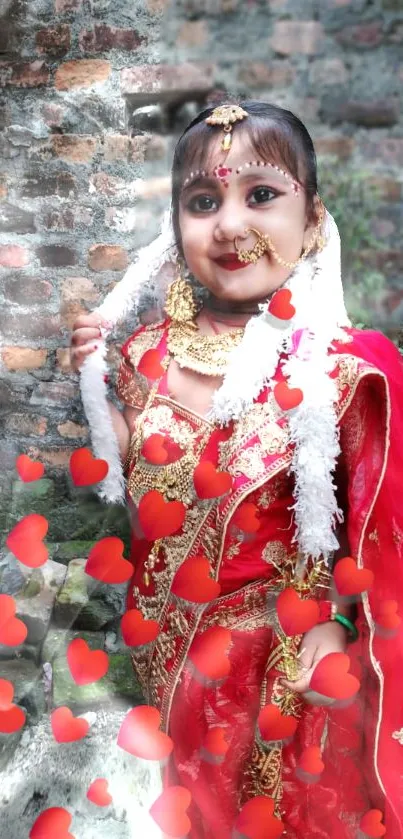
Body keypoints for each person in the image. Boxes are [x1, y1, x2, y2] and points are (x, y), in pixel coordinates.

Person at [70, 100, 403, 837]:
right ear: (174, 226)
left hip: (286, 675)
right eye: (201, 201)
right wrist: (98, 397)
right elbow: (144, 510)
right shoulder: (142, 358)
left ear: (311, 219)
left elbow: (385, 534)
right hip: (167, 660)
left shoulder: (347, 371)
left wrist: (339, 619)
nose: (226, 224)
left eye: (260, 195)